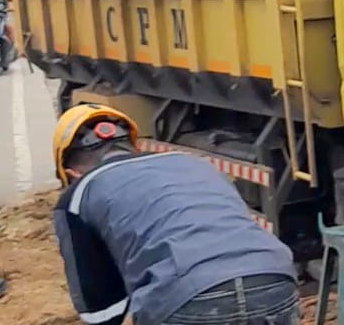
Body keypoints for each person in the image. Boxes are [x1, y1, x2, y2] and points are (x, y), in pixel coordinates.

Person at [51, 104, 300, 325]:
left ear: (72, 174)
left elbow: (99, 309)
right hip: (272, 276)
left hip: (186, 295)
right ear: (133, 146)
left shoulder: (79, 194)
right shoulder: (194, 164)